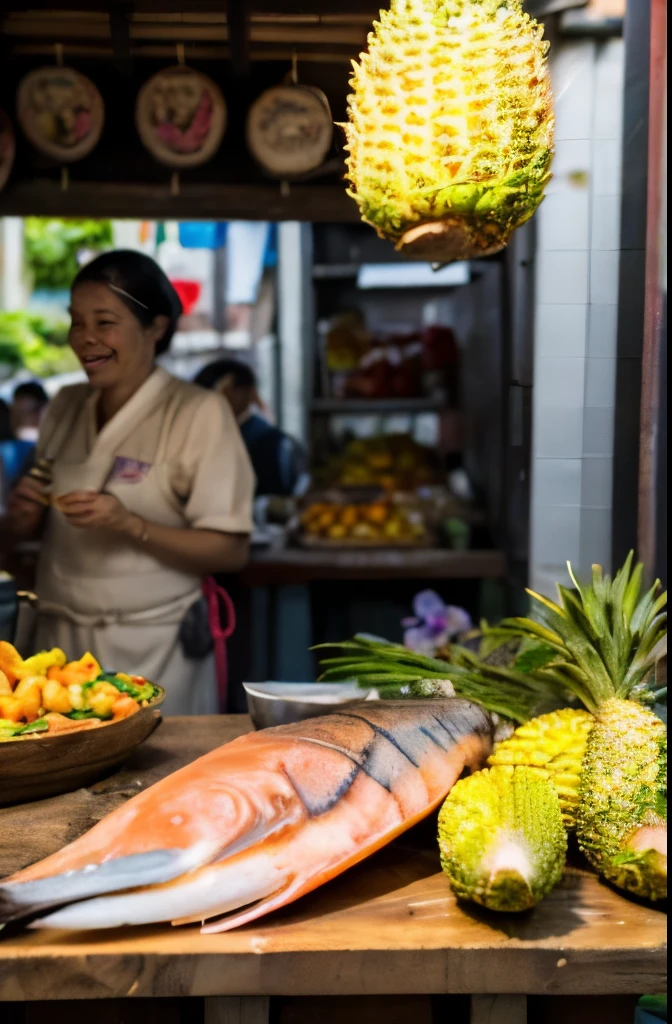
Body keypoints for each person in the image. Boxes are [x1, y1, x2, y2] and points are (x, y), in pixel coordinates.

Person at [6, 250, 255, 715]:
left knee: (162, 777)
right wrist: (26, 518)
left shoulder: (197, 412)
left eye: (104, 322)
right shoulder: (64, 406)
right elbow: (38, 526)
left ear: (156, 327)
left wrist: (130, 523)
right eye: (76, 322)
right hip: (59, 647)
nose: (85, 339)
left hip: (157, 647)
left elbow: (231, 549)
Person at [194, 358, 305, 498]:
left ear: (247, 392)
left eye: (223, 391)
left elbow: (275, 499)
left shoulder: (267, 440)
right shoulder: (208, 436)